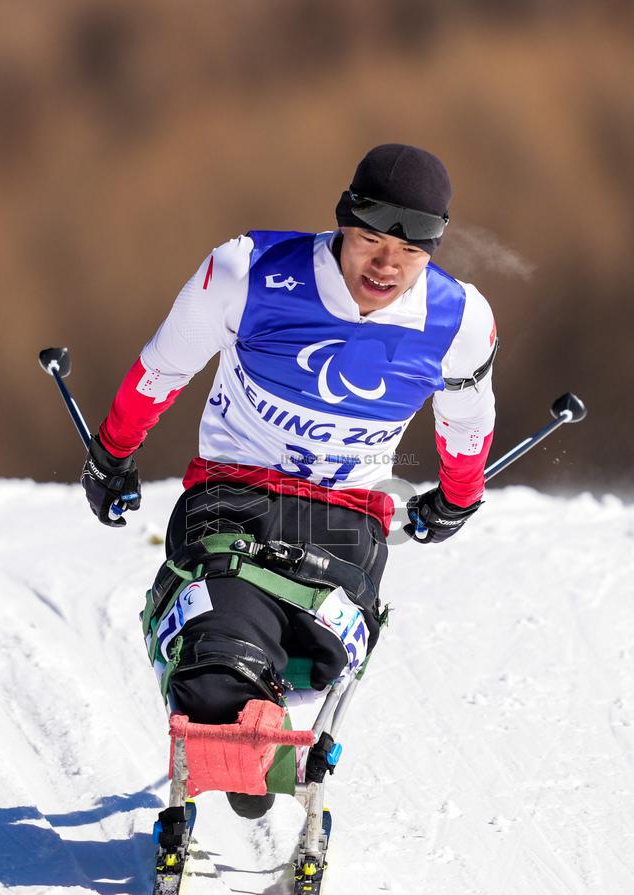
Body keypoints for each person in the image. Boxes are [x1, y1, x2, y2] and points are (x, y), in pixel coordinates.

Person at [81, 144, 496, 815]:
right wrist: (112, 452)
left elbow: (468, 421)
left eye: (408, 252)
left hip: (344, 517)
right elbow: (163, 367)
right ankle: (241, 714)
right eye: (370, 241)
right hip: (230, 495)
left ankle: (248, 722)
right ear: (343, 223)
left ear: (432, 249)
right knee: (216, 650)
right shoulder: (247, 270)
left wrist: (456, 498)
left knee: (317, 654)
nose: (386, 266)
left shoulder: (459, 319)